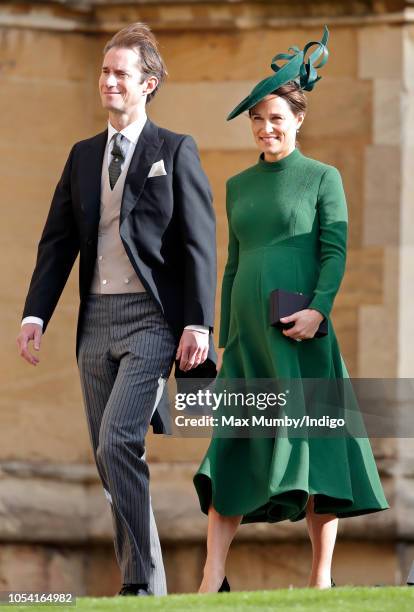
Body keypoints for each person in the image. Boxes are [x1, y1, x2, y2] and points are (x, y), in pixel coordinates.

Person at [17, 22, 216, 597]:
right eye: (104, 71)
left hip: (153, 319)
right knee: (109, 461)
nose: (108, 81)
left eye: (120, 73)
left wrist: (197, 321)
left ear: (148, 84)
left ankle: (145, 581)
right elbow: (55, 244)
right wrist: (35, 316)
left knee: (117, 441)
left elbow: (198, 242)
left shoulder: (174, 150)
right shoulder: (81, 157)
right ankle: (140, 582)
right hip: (94, 321)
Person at [194, 26, 388, 592]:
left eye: (276, 117)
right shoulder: (236, 184)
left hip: (301, 336)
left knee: (316, 448)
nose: (266, 127)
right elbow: (233, 263)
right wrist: (227, 334)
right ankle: (211, 577)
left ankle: (321, 578)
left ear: (298, 120)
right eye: (258, 119)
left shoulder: (323, 178)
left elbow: (334, 252)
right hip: (249, 344)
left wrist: (318, 312)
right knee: (230, 448)